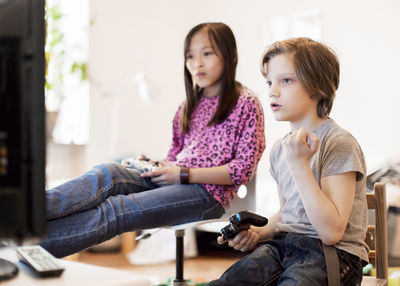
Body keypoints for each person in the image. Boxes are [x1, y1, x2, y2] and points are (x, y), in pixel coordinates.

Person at [40, 22, 266, 258]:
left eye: (207, 53)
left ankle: (29, 248)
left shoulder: (246, 103)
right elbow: (174, 158)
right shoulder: (188, 106)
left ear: (230, 55)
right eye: (190, 56)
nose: (196, 63)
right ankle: (22, 218)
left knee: (117, 210)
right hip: (179, 180)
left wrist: (184, 174)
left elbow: (242, 170)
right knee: (107, 173)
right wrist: (153, 164)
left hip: (208, 194)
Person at [208, 37, 368, 286]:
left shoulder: (338, 143)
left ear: (318, 86)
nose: (273, 91)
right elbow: (288, 211)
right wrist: (260, 233)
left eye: (286, 80)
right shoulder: (279, 149)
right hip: (283, 246)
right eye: (270, 81)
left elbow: (331, 232)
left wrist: (299, 166)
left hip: (333, 255)